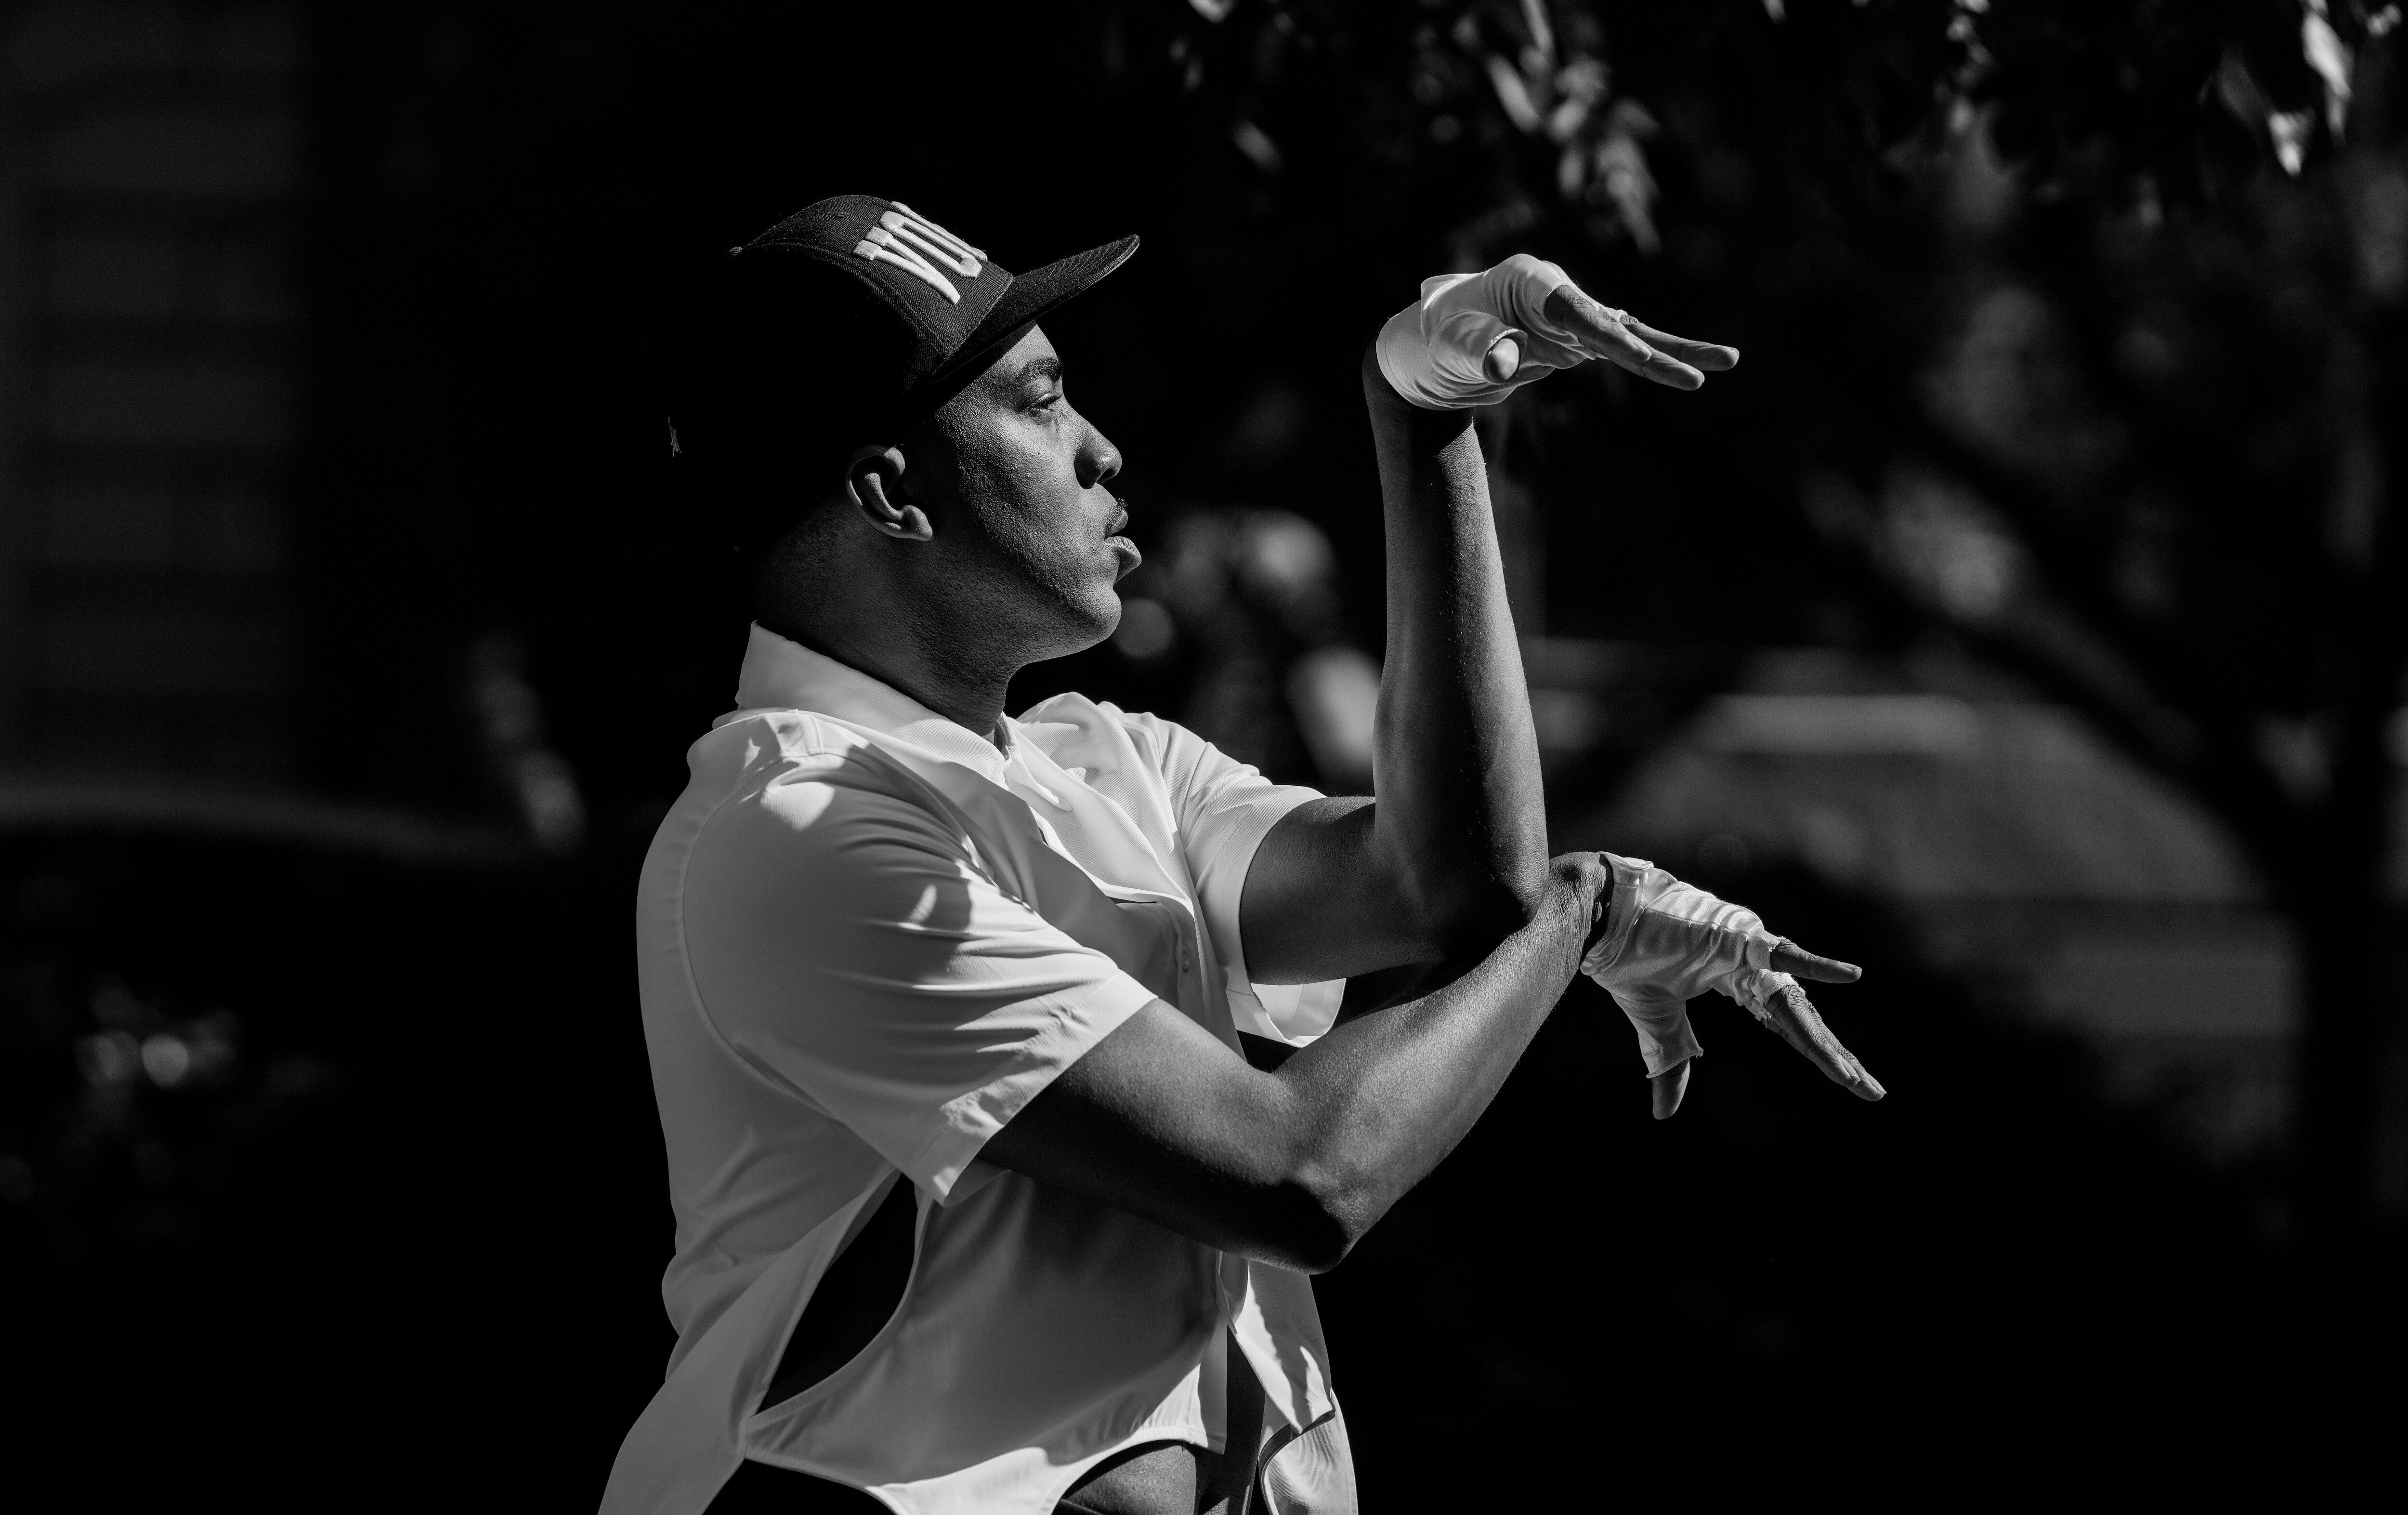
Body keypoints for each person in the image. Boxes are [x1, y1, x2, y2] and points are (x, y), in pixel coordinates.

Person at [603, 196, 1882, 1515]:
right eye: (1041, 403)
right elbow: (1299, 1173)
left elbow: (1446, 885)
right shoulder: (796, 834)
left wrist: (1425, 412)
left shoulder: (1110, 762)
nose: (1103, 450)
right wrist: (1588, 906)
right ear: (891, 491)